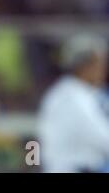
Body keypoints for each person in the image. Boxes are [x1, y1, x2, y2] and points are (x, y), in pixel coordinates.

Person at [38, 33, 109, 172]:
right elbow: (104, 139)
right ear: (84, 65)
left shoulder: (86, 94)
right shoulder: (71, 98)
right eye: (99, 63)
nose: (103, 70)